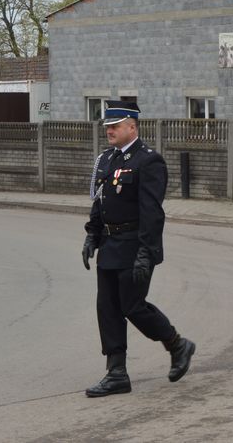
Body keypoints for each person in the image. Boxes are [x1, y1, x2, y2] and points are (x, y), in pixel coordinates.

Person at [82, 100, 195, 397]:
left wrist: (147, 252)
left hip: (134, 246)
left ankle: (177, 344)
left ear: (132, 126)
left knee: (133, 306)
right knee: (107, 308)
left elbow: (152, 212)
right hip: (110, 245)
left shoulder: (148, 161)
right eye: (107, 127)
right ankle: (116, 372)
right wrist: (92, 236)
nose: (109, 131)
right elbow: (101, 202)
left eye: (115, 126)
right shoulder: (107, 159)